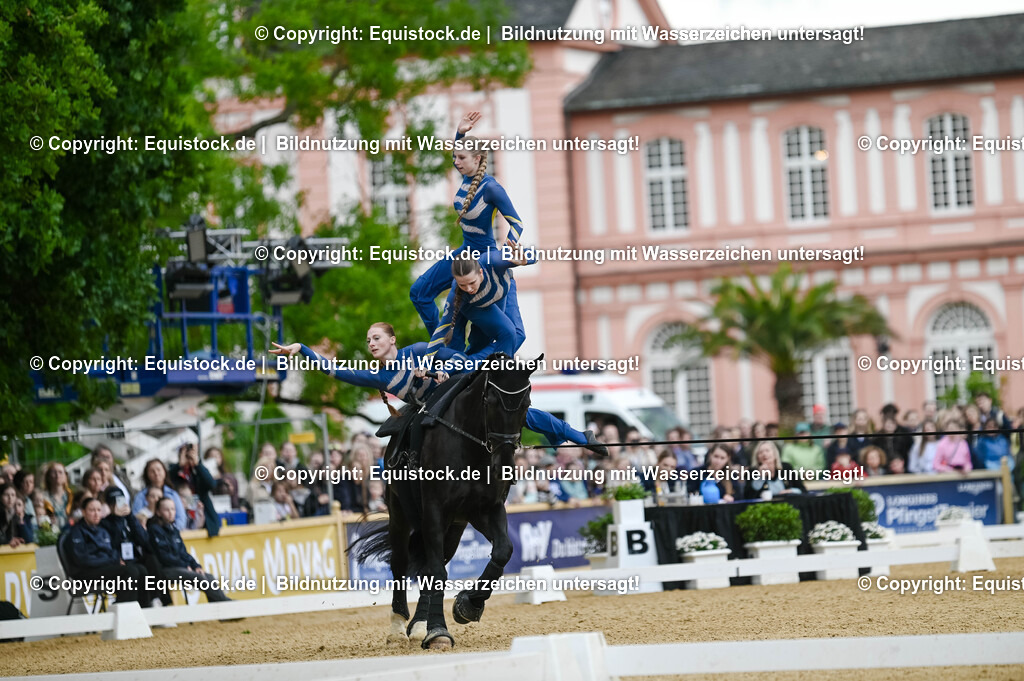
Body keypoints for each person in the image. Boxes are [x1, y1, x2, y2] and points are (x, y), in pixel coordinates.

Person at [271, 323, 608, 456]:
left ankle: (578, 436)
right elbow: (335, 370)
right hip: (427, 415)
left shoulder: (418, 350)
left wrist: (437, 370)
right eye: (367, 339)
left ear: (392, 340)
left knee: (514, 410)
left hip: (455, 398)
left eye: (376, 337)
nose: (370, 343)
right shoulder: (377, 376)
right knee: (400, 447)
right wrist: (302, 349)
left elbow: (460, 360)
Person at [409, 111, 525, 335]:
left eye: (461, 158)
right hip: (464, 253)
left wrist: (506, 253)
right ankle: (442, 348)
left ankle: (469, 356)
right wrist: (460, 132)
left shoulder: (491, 187)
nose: (456, 162)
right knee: (419, 292)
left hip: (483, 258)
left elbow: (517, 223)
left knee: (498, 327)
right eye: (455, 158)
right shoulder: (466, 177)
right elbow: (460, 151)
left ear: (477, 159)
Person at [425, 246, 533, 360]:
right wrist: (426, 361)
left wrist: (525, 260)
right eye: (462, 285)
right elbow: (443, 327)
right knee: (506, 333)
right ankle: (474, 366)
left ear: (480, 272)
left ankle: (471, 362)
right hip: (476, 305)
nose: (469, 288)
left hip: (503, 290)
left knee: (518, 335)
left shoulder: (493, 261)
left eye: (472, 282)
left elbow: (533, 253)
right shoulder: (458, 294)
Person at [147, 498, 231, 603]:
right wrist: (184, 565)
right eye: (166, 510)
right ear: (158, 512)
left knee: (208, 577)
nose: (170, 513)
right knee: (198, 578)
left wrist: (195, 565)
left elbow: (183, 553)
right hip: (166, 570)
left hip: (179, 567)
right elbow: (164, 556)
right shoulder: (154, 529)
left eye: (173, 509)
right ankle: (225, 604)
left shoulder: (174, 530)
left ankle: (220, 609)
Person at [66, 497, 146, 604]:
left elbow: (112, 551)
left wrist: (116, 559)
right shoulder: (76, 532)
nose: (96, 514)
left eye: (99, 510)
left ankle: (144, 609)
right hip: (85, 573)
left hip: (104, 568)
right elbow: (82, 560)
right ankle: (122, 611)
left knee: (141, 570)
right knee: (130, 572)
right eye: (92, 510)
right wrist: (112, 560)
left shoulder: (102, 531)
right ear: (83, 512)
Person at [99, 488, 164, 606]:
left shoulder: (130, 520)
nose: (118, 505)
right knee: (137, 570)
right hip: (119, 561)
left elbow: (145, 541)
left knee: (152, 560)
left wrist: (130, 517)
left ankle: (156, 600)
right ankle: (139, 606)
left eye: (120, 501)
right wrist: (116, 519)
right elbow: (108, 545)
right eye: (114, 503)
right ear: (109, 505)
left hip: (134, 558)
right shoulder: (104, 524)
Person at [169, 443, 221, 536]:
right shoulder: (174, 471)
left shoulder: (199, 470)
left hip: (202, 516)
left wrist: (197, 464)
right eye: (185, 452)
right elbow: (167, 482)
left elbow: (211, 484)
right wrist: (179, 465)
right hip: (180, 517)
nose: (188, 456)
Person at [131, 459, 187, 531]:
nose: (156, 473)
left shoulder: (173, 494)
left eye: (159, 470)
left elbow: (181, 519)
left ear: (164, 471)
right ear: (147, 474)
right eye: (152, 471)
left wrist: (170, 531)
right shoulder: (140, 496)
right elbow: (136, 518)